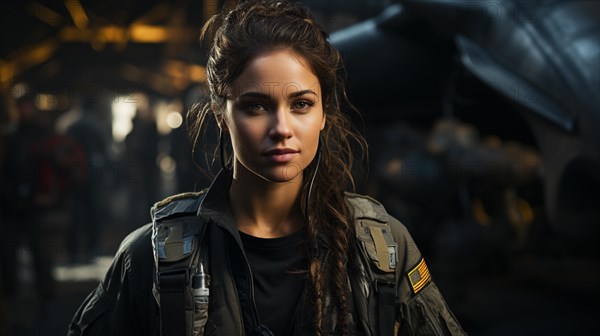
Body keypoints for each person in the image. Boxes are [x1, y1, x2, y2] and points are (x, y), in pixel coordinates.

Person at [68, 1, 465, 335]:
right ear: (221, 115)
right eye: (255, 106)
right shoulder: (150, 258)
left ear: (325, 113)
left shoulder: (383, 249)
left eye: (302, 104)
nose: (281, 129)